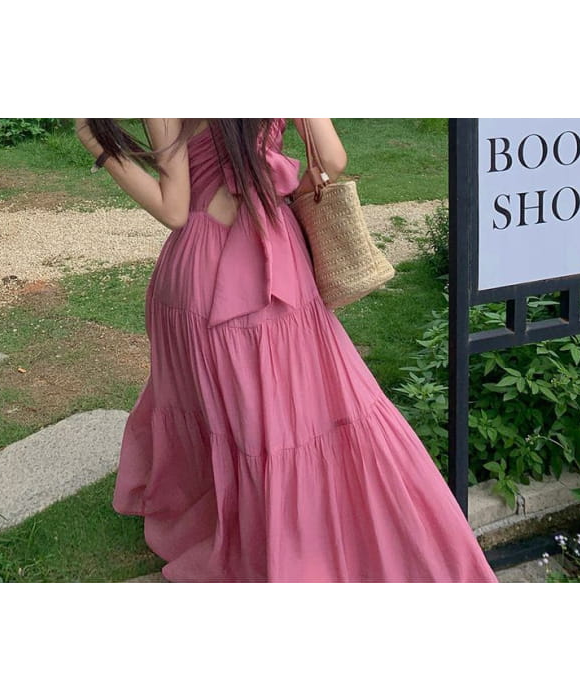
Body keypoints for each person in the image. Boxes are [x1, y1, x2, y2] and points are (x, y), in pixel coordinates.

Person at [75, 118, 499, 583]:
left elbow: (174, 209)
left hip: (198, 274)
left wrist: (97, 142)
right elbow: (332, 159)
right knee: (309, 411)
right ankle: (329, 538)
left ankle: (239, 526)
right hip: (276, 264)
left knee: (227, 415)